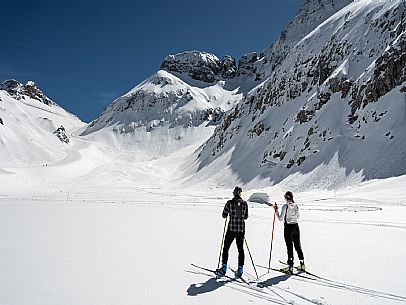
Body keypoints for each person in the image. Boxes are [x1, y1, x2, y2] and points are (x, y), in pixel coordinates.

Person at [216, 186, 249, 277]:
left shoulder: (230, 203)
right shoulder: (244, 203)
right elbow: (246, 216)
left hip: (231, 229)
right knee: (240, 249)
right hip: (241, 230)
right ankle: (240, 269)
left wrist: (229, 214)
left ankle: (224, 268)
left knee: (226, 247)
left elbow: (224, 215)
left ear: (234, 193)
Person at [274, 191, 305, 274]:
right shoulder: (296, 206)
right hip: (296, 227)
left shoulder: (285, 206)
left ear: (286, 198)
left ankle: (290, 267)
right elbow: (298, 216)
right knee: (297, 245)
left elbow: (280, 218)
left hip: (288, 228)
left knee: (289, 246)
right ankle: (302, 264)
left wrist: (276, 211)